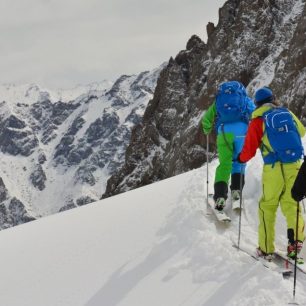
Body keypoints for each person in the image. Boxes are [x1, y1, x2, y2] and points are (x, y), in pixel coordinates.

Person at [237, 86, 305, 259]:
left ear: (257, 104)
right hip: (295, 165)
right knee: (291, 204)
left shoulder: (258, 121)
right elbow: (302, 131)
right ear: (273, 99)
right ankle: (295, 242)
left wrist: (240, 159)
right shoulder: (287, 113)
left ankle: (266, 248)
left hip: (274, 168)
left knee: (267, 206)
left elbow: (249, 150)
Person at [201, 80, 255, 210]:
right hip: (242, 132)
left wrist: (207, 129)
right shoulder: (244, 99)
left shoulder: (219, 100)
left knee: (225, 164)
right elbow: (254, 113)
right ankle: (236, 191)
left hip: (224, 132)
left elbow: (206, 118)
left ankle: (220, 197)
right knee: (239, 161)